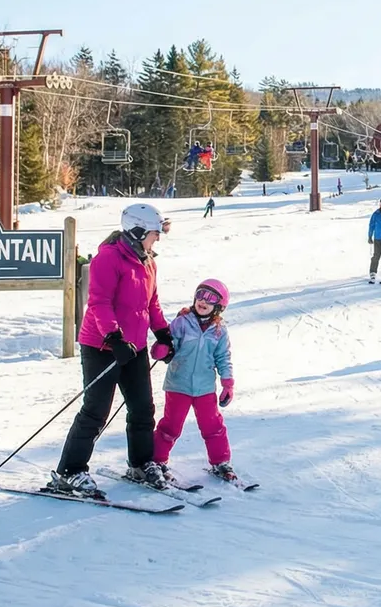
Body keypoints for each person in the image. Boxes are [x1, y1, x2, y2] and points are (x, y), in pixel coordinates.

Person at [47, 203, 173, 497]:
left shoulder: (148, 262)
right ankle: (70, 472)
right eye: (155, 233)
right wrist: (114, 338)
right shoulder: (109, 258)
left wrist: (163, 333)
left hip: (135, 348)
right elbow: (99, 302)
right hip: (102, 346)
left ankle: (141, 464)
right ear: (138, 230)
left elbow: (150, 305)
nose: (157, 238)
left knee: (143, 408)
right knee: (96, 411)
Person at [150, 279, 240, 484]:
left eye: (210, 298)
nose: (203, 301)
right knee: (170, 426)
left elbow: (223, 357)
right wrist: (162, 349)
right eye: (200, 294)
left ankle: (220, 462)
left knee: (213, 426)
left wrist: (227, 383)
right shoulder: (182, 321)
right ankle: (156, 461)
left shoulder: (219, 331)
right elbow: (169, 342)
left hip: (204, 387)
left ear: (219, 306)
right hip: (178, 384)